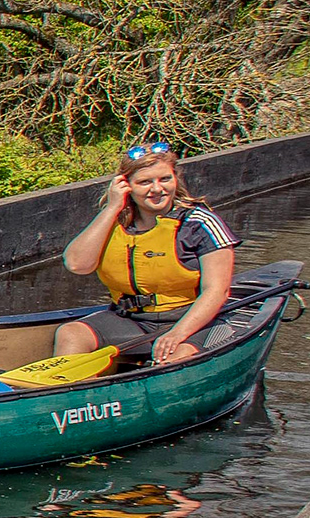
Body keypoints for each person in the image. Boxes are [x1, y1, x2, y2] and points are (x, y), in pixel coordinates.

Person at [53, 141, 238, 366]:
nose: (157, 189)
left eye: (165, 179)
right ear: (126, 185)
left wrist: (176, 334)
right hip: (132, 320)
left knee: (172, 359)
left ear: (176, 180)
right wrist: (112, 207)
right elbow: (76, 264)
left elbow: (218, 291)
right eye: (144, 182)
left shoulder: (199, 223)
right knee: (70, 333)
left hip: (193, 322)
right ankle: (73, 396)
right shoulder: (113, 222)